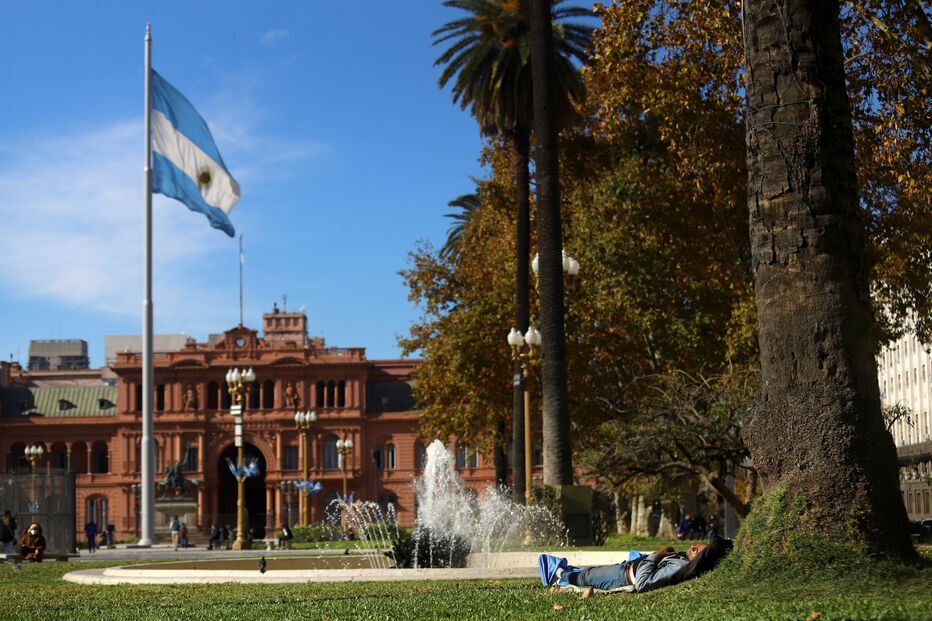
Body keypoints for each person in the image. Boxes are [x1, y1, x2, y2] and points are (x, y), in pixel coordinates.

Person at [539, 533, 733, 594]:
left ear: (701, 557)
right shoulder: (682, 562)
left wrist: (656, 555)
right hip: (629, 566)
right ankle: (564, 577)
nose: (692, 546)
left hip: (621, 576)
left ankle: (557, 574)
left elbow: (643, 583)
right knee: (587, 573)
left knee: (585, 576)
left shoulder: (678, 568)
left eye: (697, 548)